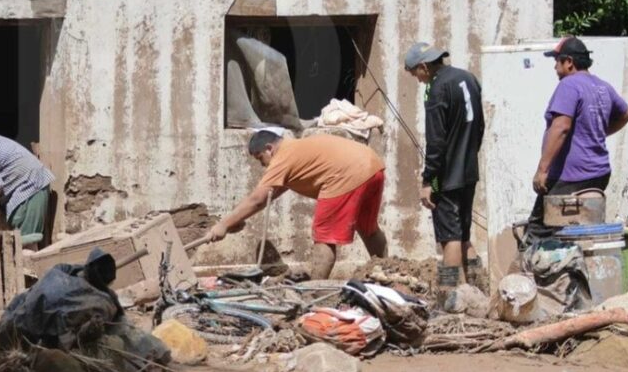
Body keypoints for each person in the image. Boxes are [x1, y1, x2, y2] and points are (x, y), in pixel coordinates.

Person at [205, 131, 388, 279]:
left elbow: (257, 199)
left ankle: (315, 288)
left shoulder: (283, 156)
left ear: (269, 149)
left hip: (346, 173)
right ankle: (387, 274)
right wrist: (234, 221)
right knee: (368, 229)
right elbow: (270, 195)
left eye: (261, 158)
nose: (263, 165)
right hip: (373, 165)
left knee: (324, 234)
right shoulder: (297, 150)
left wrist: (222, 225)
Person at [404, 42, 486, 296]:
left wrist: (429, 180)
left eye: (414, 74)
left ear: (423, 67)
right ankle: (478, 290)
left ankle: (449, 297)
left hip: (445, 177)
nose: (417, 80)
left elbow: (436, 140)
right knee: (463, 234)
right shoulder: (468, 78)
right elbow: (480, 126)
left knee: (449, 235)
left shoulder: (435, 88)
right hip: (469, 170)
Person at [530, 37, 628, 230]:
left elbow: (561, 127)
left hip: (570, 176)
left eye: (557, 61)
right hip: (599, 174)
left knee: (540, 231)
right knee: (578, 231)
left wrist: (542, 170)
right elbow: (626, 113)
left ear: (569, 62)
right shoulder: (602, 86)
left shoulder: (569, 85)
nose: (554, 67)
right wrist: (597, 132)